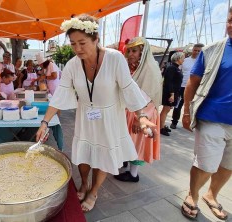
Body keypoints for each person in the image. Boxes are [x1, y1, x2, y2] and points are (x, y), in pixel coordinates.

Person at [35, 14, 156, 212]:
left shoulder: (115, 58)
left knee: (103, 155)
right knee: (83, 156)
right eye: (73, 44)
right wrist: (45, 122)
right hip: (85, 116)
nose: (77, 49)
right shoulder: (73, 64)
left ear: (96, 39)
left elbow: (128, 88)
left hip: (110, 117)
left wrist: (141, 116)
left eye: (82, 43)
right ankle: (83, 184)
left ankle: (94, 191)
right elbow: (60, 94)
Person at [180, 7, 232, 221]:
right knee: (206, 164)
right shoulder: (211, 50)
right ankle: (192, 196)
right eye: (230, 20)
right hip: (213, 118)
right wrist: (186, 112)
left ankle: (212, 195)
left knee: (229, 165)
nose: (230, 25)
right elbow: (192, 84)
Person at [114, 37, 163, 182]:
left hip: (141, 113)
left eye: (134, 51)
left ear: (143, 52)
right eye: (128, 50)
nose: (130, 54)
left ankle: (133, 174)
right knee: (128, 140)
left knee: (137, 143)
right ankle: (126, 163)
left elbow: (149, 98)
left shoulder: (150, 69)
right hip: (129, 111)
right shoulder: (132, 68)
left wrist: (140, 118)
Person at [170, 43, 204, 129]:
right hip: (182, 86)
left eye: (198, 51)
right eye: (195, 50)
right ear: (192, 50)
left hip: (197, 87)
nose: (196, 52)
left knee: (194, 106)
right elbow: (177, 71)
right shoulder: (185, 60)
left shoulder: (204, 62)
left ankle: (191, 124)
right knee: (178, 105)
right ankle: (174, 122)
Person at [159, 52, 185, 136]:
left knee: (168, 109)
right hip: (170, 92)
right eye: (182, 58)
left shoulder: (176, 68)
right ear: (178, 59)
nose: (183, 60)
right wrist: (172, 94)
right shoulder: (171, 68)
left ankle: (162, 125)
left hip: (175, 92)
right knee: (165, 110)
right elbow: (168, 82)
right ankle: (160, 128)